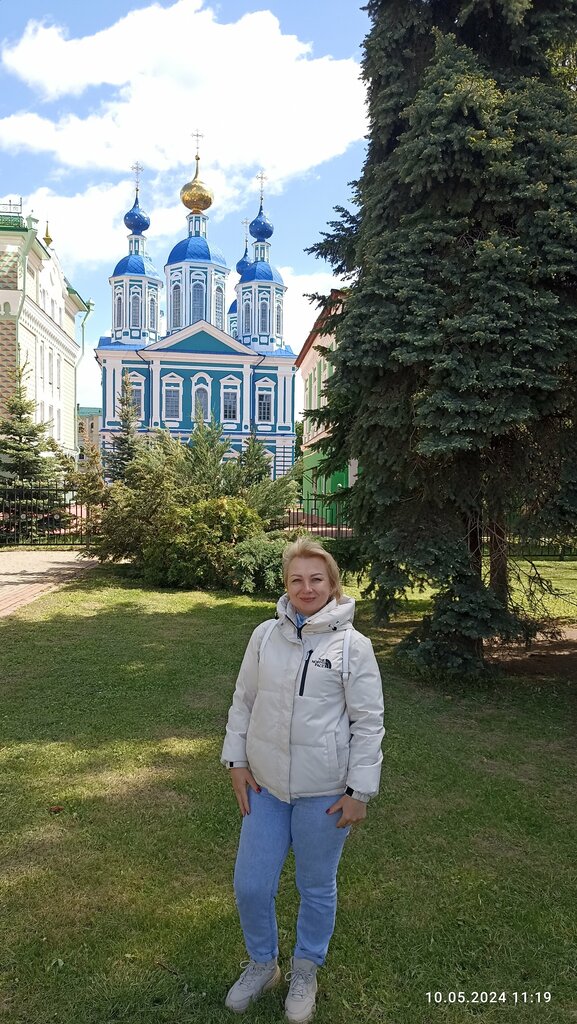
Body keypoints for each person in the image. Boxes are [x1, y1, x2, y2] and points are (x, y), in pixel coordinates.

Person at [221, 537, 385, 1022]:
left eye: (317, 579)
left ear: (333, 585)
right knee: (251, 886)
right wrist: (237, 762)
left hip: (325, 795)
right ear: (286, 585)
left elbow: (368, 722)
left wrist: (359, 791)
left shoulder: (353, 647)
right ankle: (263, 963)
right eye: (297, 579)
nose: (306, 587)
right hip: (267, 789)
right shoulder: (264, 636)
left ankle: (306, 967)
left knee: (316, 886)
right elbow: (243, 702)